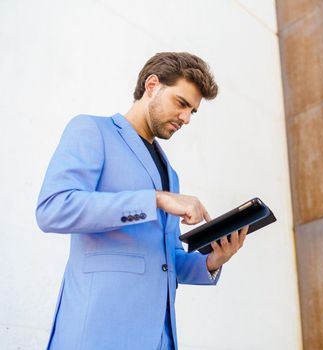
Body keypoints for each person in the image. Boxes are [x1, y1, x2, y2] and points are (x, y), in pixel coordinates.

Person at [36, 52, 248, 350]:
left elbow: (166, 259)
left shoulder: (169, 173)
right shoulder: (92, 131)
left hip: (159, 338)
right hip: (97, 333)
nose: (186, 118)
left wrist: (214, 260)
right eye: (181, 103)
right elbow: (53, 210)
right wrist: (154, 200)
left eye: (192, 112)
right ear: (152, 85)